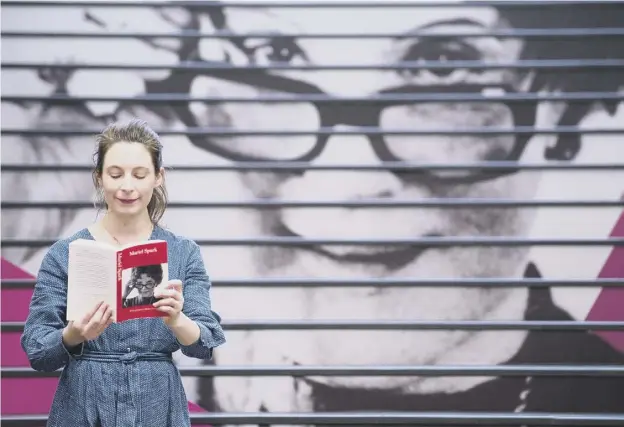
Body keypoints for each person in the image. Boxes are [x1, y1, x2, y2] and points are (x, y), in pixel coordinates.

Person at [19, 118, 226, 427]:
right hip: (85, 400)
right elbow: (37, 350)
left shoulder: (183, 252)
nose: (127, 186)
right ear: (99, 178)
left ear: (158, 178)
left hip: (157, 399)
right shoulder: (64, 254)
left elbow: (205, 343)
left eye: (139, 174)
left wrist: (177, 319)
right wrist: (74, 334)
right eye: (115, 174)